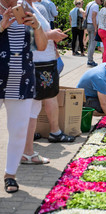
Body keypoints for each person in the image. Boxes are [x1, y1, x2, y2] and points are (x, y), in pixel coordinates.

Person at [0, 0, 47, 193]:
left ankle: (10, 175)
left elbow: (42, 46)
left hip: (22, 79)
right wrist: (2, 26)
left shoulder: (29, 9)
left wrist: (36, 26)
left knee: (19, 130)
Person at [21, 0, 72, 166]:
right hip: (35, 64)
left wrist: (51, 36)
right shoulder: (23, 5)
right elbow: (24, 39)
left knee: (33, 109)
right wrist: (50, 35)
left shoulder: (34, 6)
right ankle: (26, 152)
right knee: (29, 109)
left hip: (43, 63)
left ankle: (28, 151)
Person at [85, 0, 103, 67]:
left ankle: (89, 59)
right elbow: (93, 17)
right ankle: (90, 60)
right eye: (101, 1)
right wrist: (96, 28)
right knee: (93, 43)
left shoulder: (89, 3)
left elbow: (85, 14)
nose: (101, 2)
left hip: (88, 24)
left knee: (90, 43)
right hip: (92, 25)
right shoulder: (96, 6)